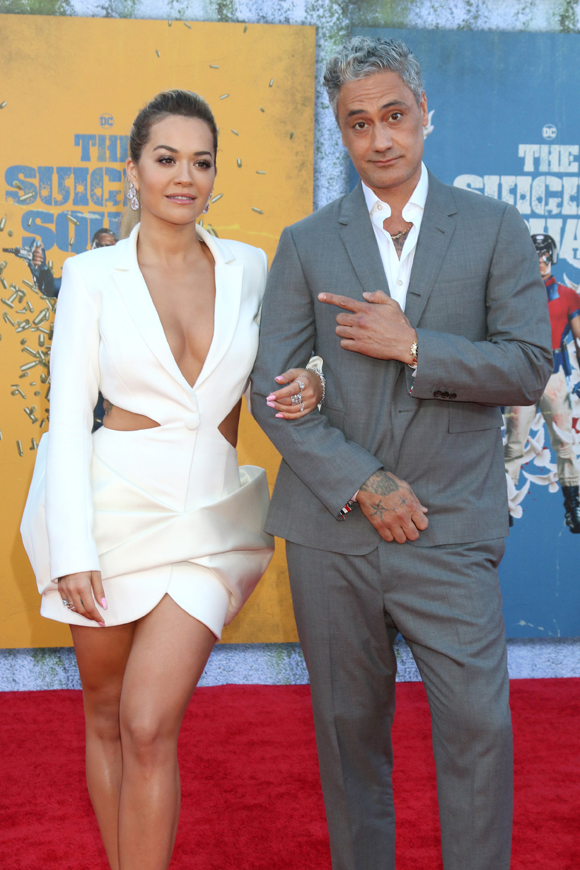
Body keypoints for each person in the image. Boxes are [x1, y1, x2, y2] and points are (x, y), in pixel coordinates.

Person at [251, 37, 552, 870]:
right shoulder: (307, 242)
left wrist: (418, 346)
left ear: (425, 116)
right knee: (350, 742)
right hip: (333, 531)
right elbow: (270, 393)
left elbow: (531, 366)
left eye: (394, 117)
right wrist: (363, 480)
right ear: (340, 134)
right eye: (358, 124)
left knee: (480, 731)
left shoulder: (494, 227)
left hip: (450, 530)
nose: (380, 139)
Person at [20, 89, 322, 870]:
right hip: (107, 509)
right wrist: (71, 547)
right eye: (166, 159)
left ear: (215, 175)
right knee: (105, 714)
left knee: (149, 723)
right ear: (134, 171)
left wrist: (313, 380)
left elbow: (285, 367)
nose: (183, 176)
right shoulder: (91, 275)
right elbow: (65, 414)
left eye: (201, 161)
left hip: (208, 524)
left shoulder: (250, 268)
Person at [504, 232, 580, 532]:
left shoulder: (567, 295)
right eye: (537, 256)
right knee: (513, 447)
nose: (542, 262)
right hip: (522, 375)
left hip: (554, 376)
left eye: (546, 256)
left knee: (563, 443)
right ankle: (502, 507)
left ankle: (573, 505)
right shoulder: (513, 294)